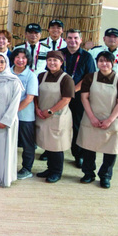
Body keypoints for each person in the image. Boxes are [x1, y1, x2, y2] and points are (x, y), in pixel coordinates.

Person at [77, 51, 118, 189]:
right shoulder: (90, 77)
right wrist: (92, 117)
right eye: (101, 60)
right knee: (88, 147)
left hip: (112, 119)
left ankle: (105, 176)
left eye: (107, 61)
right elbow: (84, 98)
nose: (104, 63)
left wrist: (109, 120)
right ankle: (88, 173)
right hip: (91, 117)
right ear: (97, 62)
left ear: (113, 63)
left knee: (111, 149)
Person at [34, 51, 74, 183]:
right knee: (47, 143)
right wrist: (37, 108)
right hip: (42, 115)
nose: (52, 63)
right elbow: (35, 94)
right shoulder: (41, 76)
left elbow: (66, 99)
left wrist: (50, 111)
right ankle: (50, 168)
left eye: (55, 60)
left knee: (57, 146)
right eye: (49, 60)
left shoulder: (66, 79)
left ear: (61, 62)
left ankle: (56, 172)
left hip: (58, 116)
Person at [0, 54, 24, 187]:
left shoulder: (14, 81)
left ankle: (5, 176)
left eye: (2, 62)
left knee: (6, 149)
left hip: (8, 120)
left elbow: (15, 103)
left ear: (7, 63)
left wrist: (5, 120)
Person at [61, 29, 97, 167]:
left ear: (81, 40)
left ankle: (78, 154)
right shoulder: (59, 54)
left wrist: (72, 91)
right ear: (65, 39)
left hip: (78, 96)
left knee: (77, 125)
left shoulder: (87, 57)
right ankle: (52, 151)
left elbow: (89, 77)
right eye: (70, 38)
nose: (73, 40)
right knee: (57, 123)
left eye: (76, 38)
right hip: (59, 95)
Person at [10, 49, 39, 180]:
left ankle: (27, 168)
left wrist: (13, 111)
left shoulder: (31, 76)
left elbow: (29, 98)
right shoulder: (6, 72)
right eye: (18, 57)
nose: (20, 60)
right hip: (7, 114)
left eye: (24, 58)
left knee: (27, 144)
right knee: (9, 141)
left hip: (25, 116)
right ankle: (8, 166)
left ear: (28, 60)